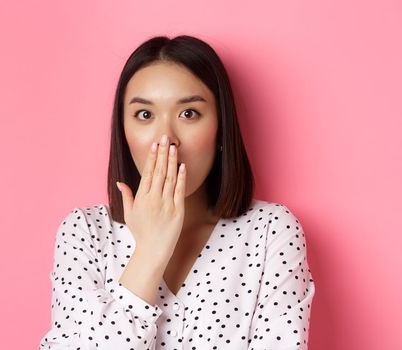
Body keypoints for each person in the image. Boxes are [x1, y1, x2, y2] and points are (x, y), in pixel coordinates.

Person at [38, 35, 316, 349]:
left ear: (220, 128)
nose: (166, 139)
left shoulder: (270, 232)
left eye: (188, 114)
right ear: (124, 131)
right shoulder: (85, 234)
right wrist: (149, 252)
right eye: (145, 115)